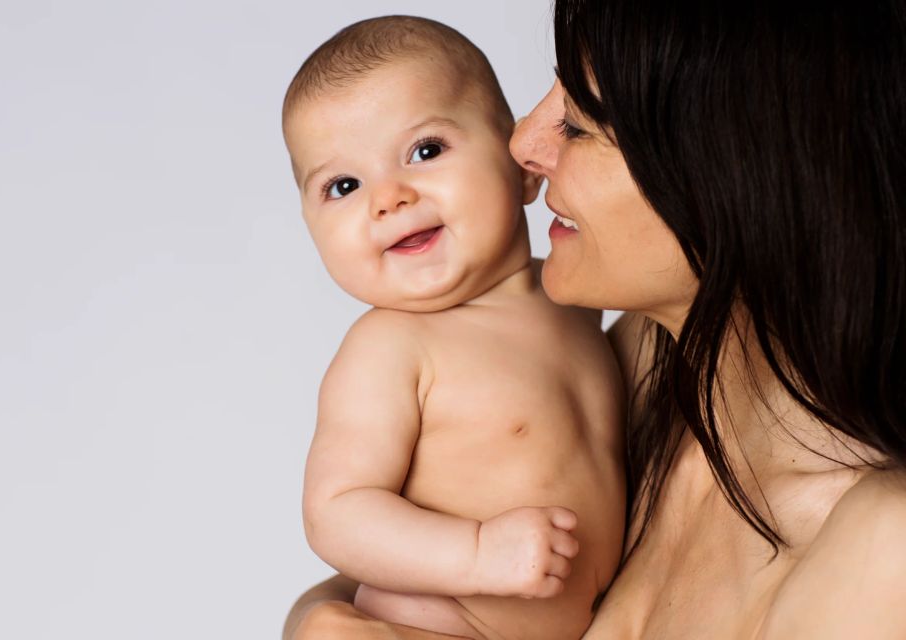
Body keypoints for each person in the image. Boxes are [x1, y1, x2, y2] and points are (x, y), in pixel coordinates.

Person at [283, 1, 906, 638]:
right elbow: (347, 541)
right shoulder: (644, 359)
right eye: (342, 187)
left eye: (579, 119)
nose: (524, 142)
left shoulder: (875, 544)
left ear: (729, 157)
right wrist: (324, 618)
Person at [281, 15, 626, 640]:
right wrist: (477, 553)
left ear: (522, 163)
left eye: (425, 151)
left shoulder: (573, 298)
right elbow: (336, 513)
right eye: (344, 185)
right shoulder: (389, 347)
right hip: (441, 626)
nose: (388, 199)